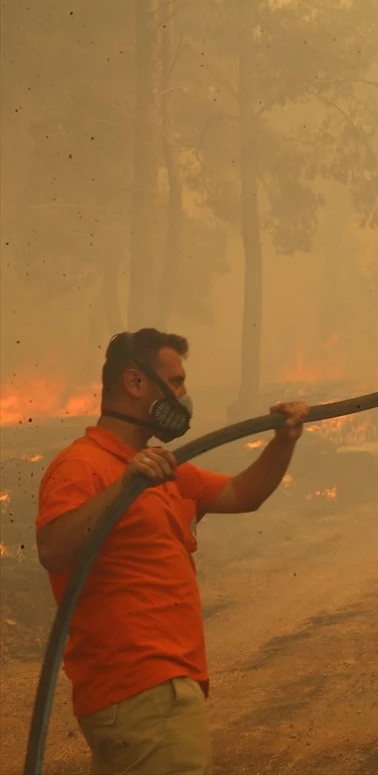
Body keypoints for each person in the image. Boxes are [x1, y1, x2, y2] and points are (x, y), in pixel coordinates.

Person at [36, 328, 310, 775]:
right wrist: (125, 485)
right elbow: (53, 548)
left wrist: (285, 441)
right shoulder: (82, 465)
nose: (184, 396)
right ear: (135, 383)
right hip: (142, 689)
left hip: (150, 694)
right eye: (177, 381)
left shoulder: (164, 470)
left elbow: (244, 493)